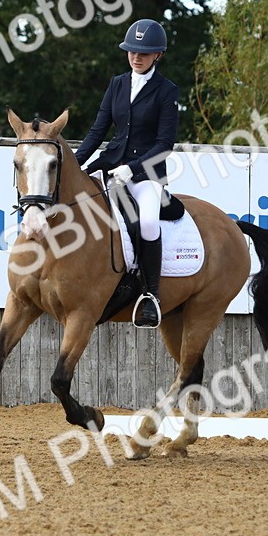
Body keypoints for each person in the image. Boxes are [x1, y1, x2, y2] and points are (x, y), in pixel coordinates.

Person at [75, 18, 179, 328]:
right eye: (132, 51)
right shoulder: (117, 83)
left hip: (146, 176)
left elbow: (165, 145)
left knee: (146, 222)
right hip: (111, 167)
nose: (136, 57)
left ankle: (151, 295)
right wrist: (76, 162)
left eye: (144, 53)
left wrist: (131, 169)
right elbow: (98, 130)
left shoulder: (167, 90)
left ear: (157, 55)